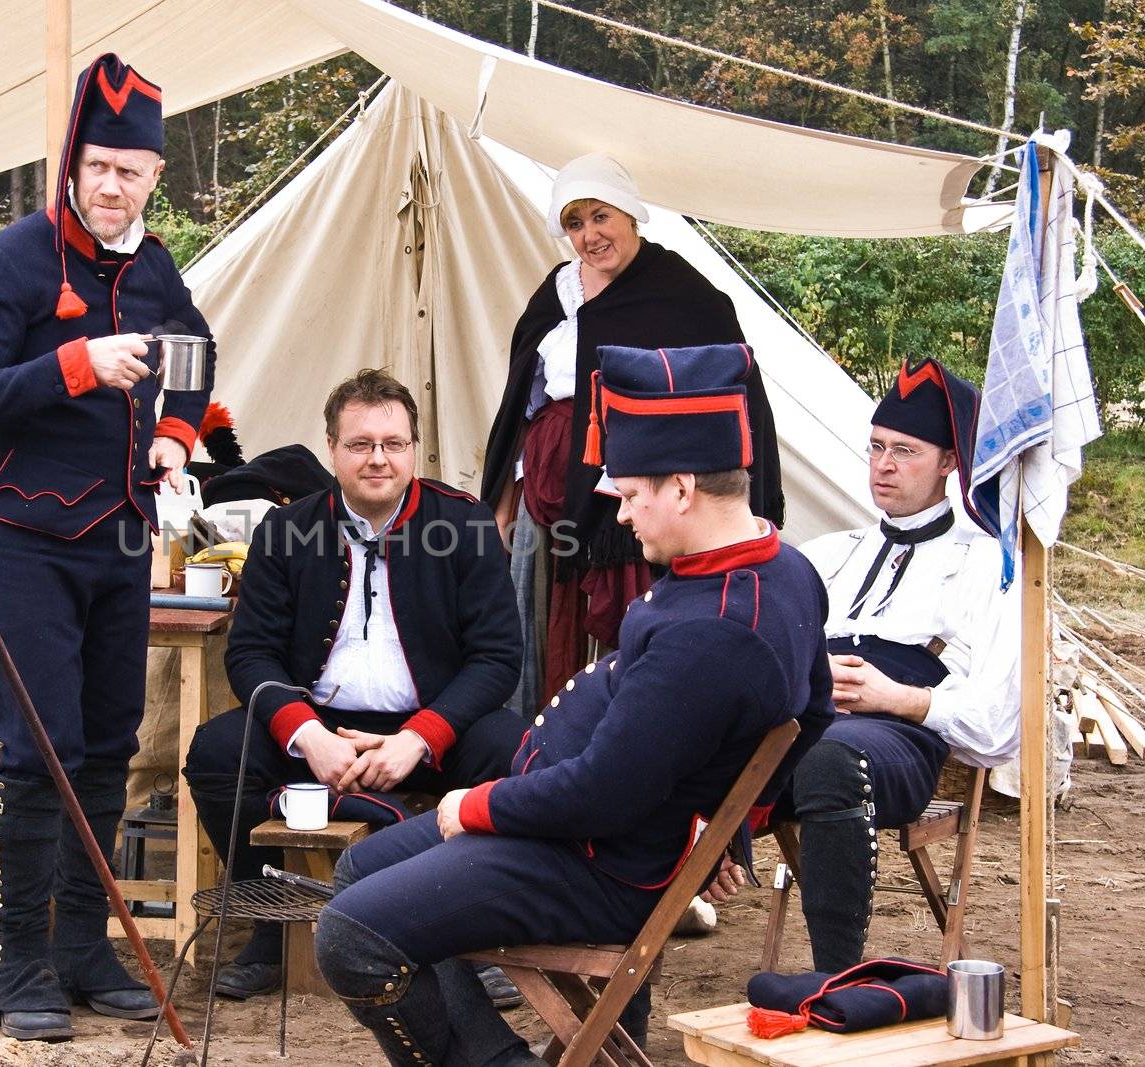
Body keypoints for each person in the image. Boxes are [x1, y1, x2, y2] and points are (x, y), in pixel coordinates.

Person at [314, 344, 834, 1066]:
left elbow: (597, 795)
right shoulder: (786, 567)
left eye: (628, 493)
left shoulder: (716, 629)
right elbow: (812, 715)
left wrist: (472, 805)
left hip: (597, 858)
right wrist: (729, 819)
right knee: (358, 875)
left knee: (351, 935)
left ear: (682, 487)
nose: (621, 514)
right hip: (583, 829)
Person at [0, 53, 214, 1041]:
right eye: (96, 165)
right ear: (71, 165)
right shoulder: (8, 261)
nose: (110, 185)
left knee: (108, 743)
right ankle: (22, 963)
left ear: (152, 178)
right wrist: (73, 363)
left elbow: (194, 354)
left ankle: (87, 946)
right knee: (38, 751)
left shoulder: (157, 268)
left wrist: (177, 437)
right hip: (19, 535)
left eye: (129, 171)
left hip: (121, 535)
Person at [184, 369, 527, 1000]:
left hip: (432, 730)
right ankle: (271, 928)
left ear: (414, 450)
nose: (377, 458)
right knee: (216, 753)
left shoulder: (466, 525)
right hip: (321, 726)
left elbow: (499, 658)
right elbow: (252, 653)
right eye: (360, 444)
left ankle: (473, 935)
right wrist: (307, 736)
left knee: (515, 752)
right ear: (332, 449)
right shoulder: (285, 531)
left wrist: (419, 739)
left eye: (393, 444)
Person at [706, 356, 1019, 974]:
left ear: (950, 463)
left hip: (897, 738)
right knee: (674, 734)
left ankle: (833, 979)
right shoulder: (828, 555)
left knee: (832, 759)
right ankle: (632, 933)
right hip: (799, 721)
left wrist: (896, 696)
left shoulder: (988, 565)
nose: (884, 465)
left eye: (906, 450)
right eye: (876, 446)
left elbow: (1000, 722)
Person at [479, 153, 784, 709]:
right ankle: (535, 748)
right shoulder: (558, 291)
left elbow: (736, 400)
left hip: (633, 498)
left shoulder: (683, 293)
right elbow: (522, 403)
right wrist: (501, 505)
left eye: (601, 216)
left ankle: (614, 744)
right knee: (535, 619)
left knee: (624, 631)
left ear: (630, 213)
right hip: (545, 488)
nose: (590, 235)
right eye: (574, 223)